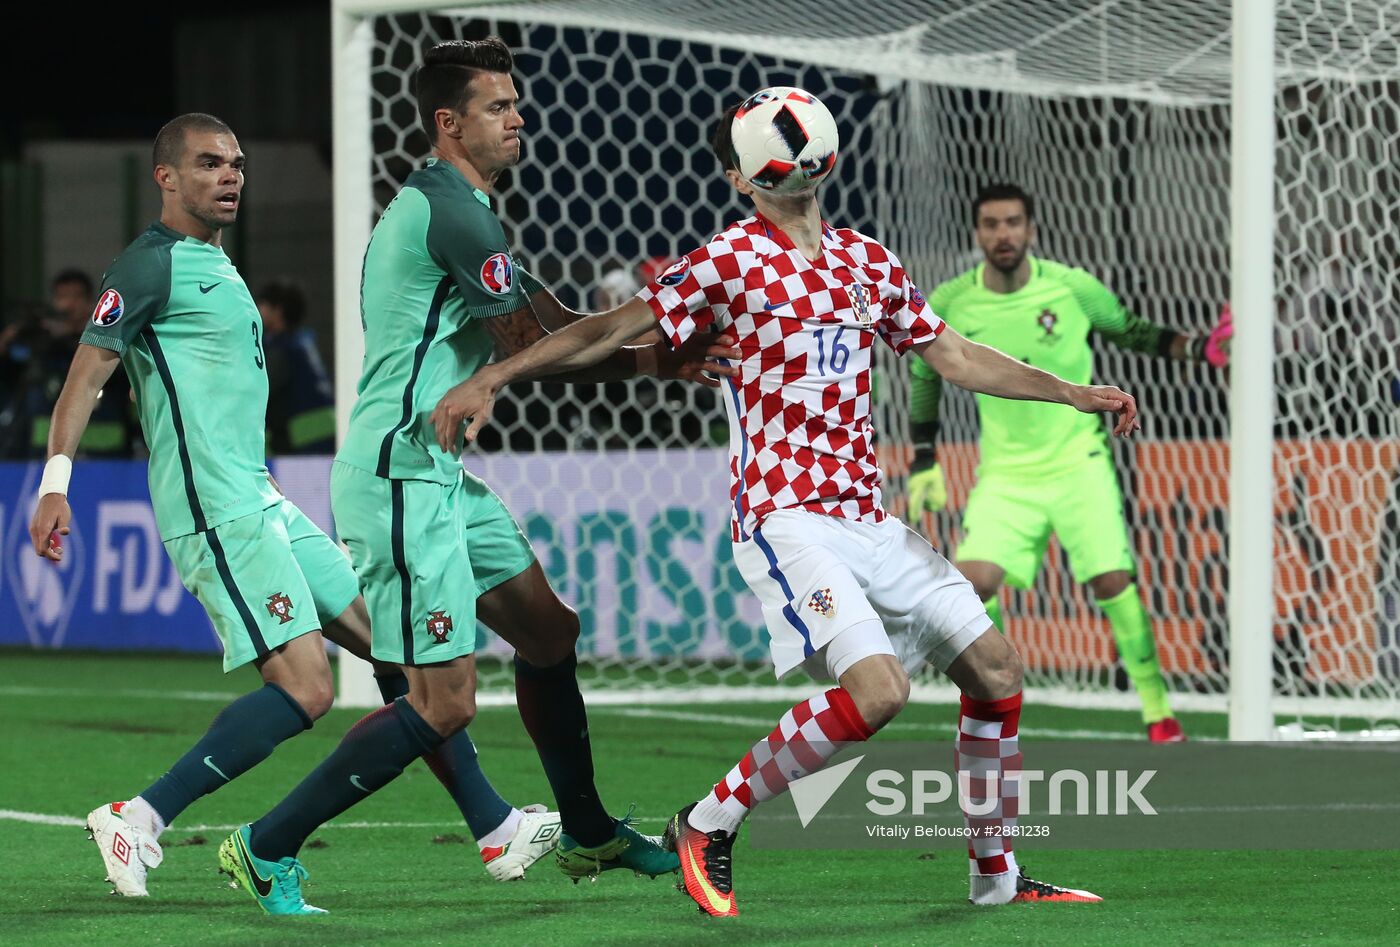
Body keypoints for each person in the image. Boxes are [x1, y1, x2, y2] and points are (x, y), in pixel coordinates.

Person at [430, 89, 1141, 916]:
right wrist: (495, 376)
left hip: (866, 515)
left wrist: (1071, 391)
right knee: (878, 694)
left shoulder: (865, 260)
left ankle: (997, 878)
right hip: (785, 514)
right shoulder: (727, 260)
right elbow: (604, 329)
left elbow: (952, 355)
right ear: (738, 176)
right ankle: (707, 820)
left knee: (996, 672)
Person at [218, 39, 737, 916]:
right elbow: (525, 349)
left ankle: (587, 830)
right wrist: (665, 332)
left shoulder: (463, 213)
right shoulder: (452, 212)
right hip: (399, 475)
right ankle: (264, 845)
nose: (519, 118)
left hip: (438, 472)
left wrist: (657, 358)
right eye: (499, 107)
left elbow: (554, 325)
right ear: (448, 123)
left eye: (517, 102)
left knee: (547, 631)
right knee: (444, 703)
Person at [27, 112, 556, 901]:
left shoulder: (218, 262)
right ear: (165, 177)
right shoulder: (146, 268)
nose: (230, 175)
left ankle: (494, 828)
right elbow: (85, 377)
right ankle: (139, 815)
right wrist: (55, 482)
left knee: (395, 650)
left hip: (262, 497)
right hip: (217, 511)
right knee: (307, 687)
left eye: (237, 163)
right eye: (209, 164)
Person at [907, 183, 1231, 742]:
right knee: (969, 587)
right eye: (991, 224)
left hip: (1078, 462)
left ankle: (1158, 712)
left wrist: (1198, 348)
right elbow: (924, 376)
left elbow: (1132, 333)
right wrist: (923, 459)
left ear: (1030, 229)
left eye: (1012, 223)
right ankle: (998, 698)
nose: (1002, 234)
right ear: (977, 232)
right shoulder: (954, 300)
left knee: (1112, 581)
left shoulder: (1071, 288)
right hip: (1005, 474)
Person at [0, 269, 137, 458]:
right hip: (44, 461)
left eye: (77, 297)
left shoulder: (112, 342)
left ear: (92, 303)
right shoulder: (41, 347)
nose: (69, 305)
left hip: (110, 461)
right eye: (62, 297)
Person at [254, 279, 337, 454]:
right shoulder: (304, 342)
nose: (258, 310)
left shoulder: (283, 348)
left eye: (263, 305)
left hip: (303, 441)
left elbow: (263, 389)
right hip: (326, 435)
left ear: (278, 310)